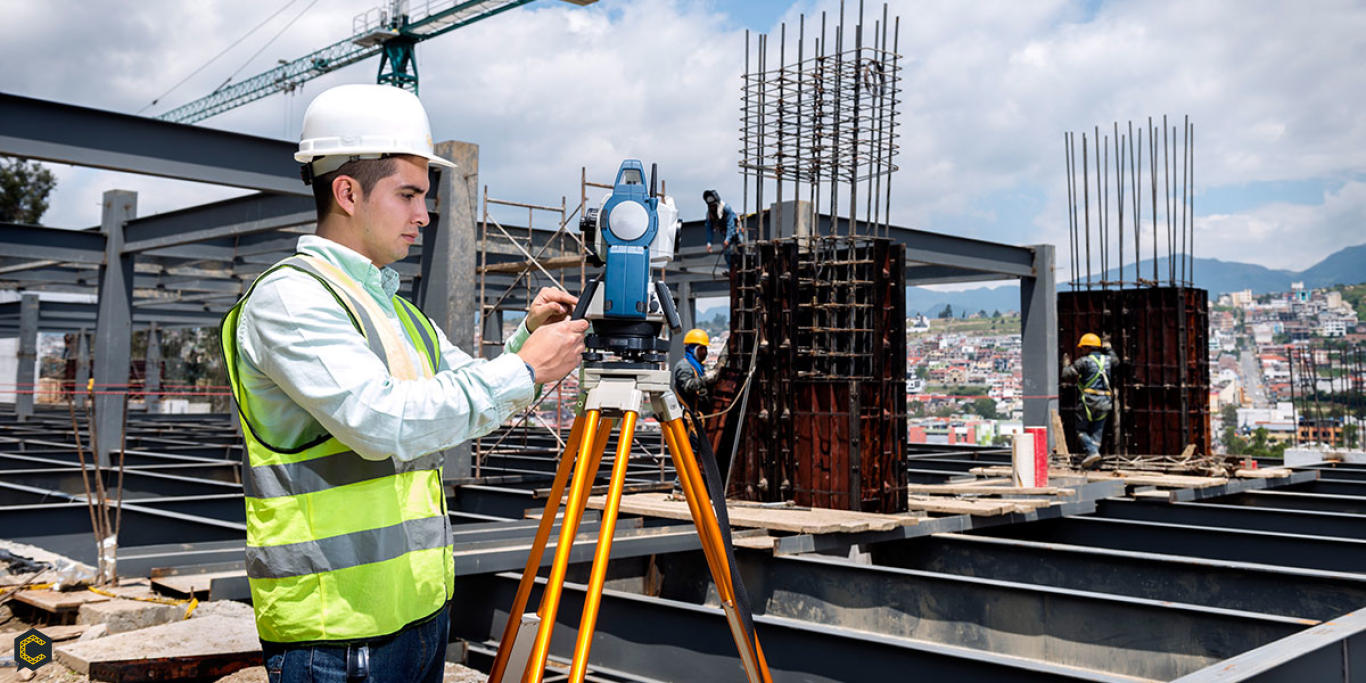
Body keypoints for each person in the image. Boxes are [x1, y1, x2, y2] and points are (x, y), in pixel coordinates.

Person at [220, 83, 588, 683]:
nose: (423, 214)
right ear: (347, 191)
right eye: (409, 194)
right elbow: (382, 422)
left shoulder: (394, 309)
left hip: (416, 613)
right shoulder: (292, 299)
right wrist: (525, 370)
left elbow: (462, 391)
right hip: (338, 630)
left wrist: (526, 339)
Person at [1061, 332, 1119, 469]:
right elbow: (1116, 361)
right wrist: (1108, 348)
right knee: (1097, 432)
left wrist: (1066, 364)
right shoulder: (1108, 360)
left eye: (1082, 348)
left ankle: (1092, 452)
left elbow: (1066, 375)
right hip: (1105, 402)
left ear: (1087, 348)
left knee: (1081, 430)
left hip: (1089, 402)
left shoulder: (1084, 361)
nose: (1081, 351)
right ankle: (1094, 462)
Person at [672, 328, 716, 413]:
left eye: (705, 349)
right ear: (693, 349)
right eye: (701, 349)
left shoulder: (699, 367)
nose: (705, 352)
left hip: (699, 414)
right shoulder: (684, 366)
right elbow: (688, 387)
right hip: (688, 416)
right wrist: (706, 378)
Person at [702, 190, 743, 273]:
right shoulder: (709, 214)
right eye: (711, 206)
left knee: (742, 245)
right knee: (727, 252)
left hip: (735, 230)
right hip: (724, 232)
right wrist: (709, 243)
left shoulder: (726, 208)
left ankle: (744, 265)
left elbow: (730, 224)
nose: (712, 208)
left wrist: (728, 239)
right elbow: (709, 229)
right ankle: (730, 269)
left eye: (713, 205)